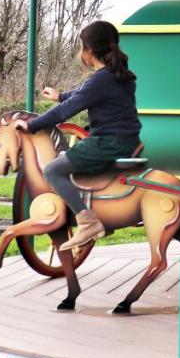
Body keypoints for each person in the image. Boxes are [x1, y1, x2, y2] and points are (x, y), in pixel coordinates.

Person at [14, 21, 141, 251]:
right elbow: (83, 95)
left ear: (89, 51)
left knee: (53, 169)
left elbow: (67, 111)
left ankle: (87, 221)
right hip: (127, 140)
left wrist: (32, 125)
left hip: (108, 143)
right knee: (69, 160)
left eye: (81, 47)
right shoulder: (118, 75)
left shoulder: (101, 79)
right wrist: (61, 95)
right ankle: (103, 213)